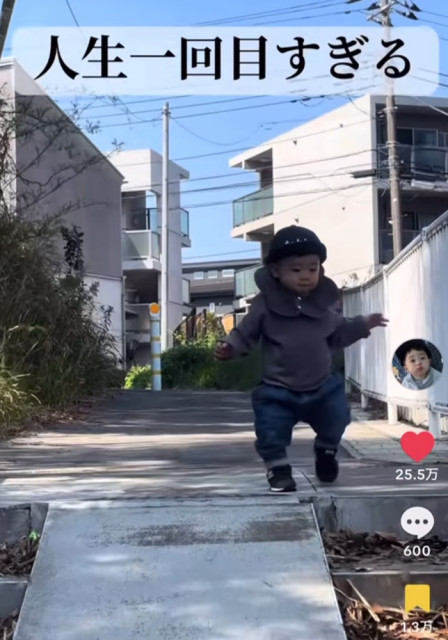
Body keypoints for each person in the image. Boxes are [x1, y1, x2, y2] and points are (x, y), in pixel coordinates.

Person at [214, 226, 388, 492]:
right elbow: (246, 331)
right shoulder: (265, 305)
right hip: (278, 388)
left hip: (322, 385)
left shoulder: (323, 305)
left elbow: (339, 331)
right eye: (296, 270)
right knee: (270, 429)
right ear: (275, 270)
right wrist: (230, 347)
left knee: (337, 417)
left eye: (312, 269)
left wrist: (363, 324)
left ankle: (326, 450)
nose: (305, 276)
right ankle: (278, 468)